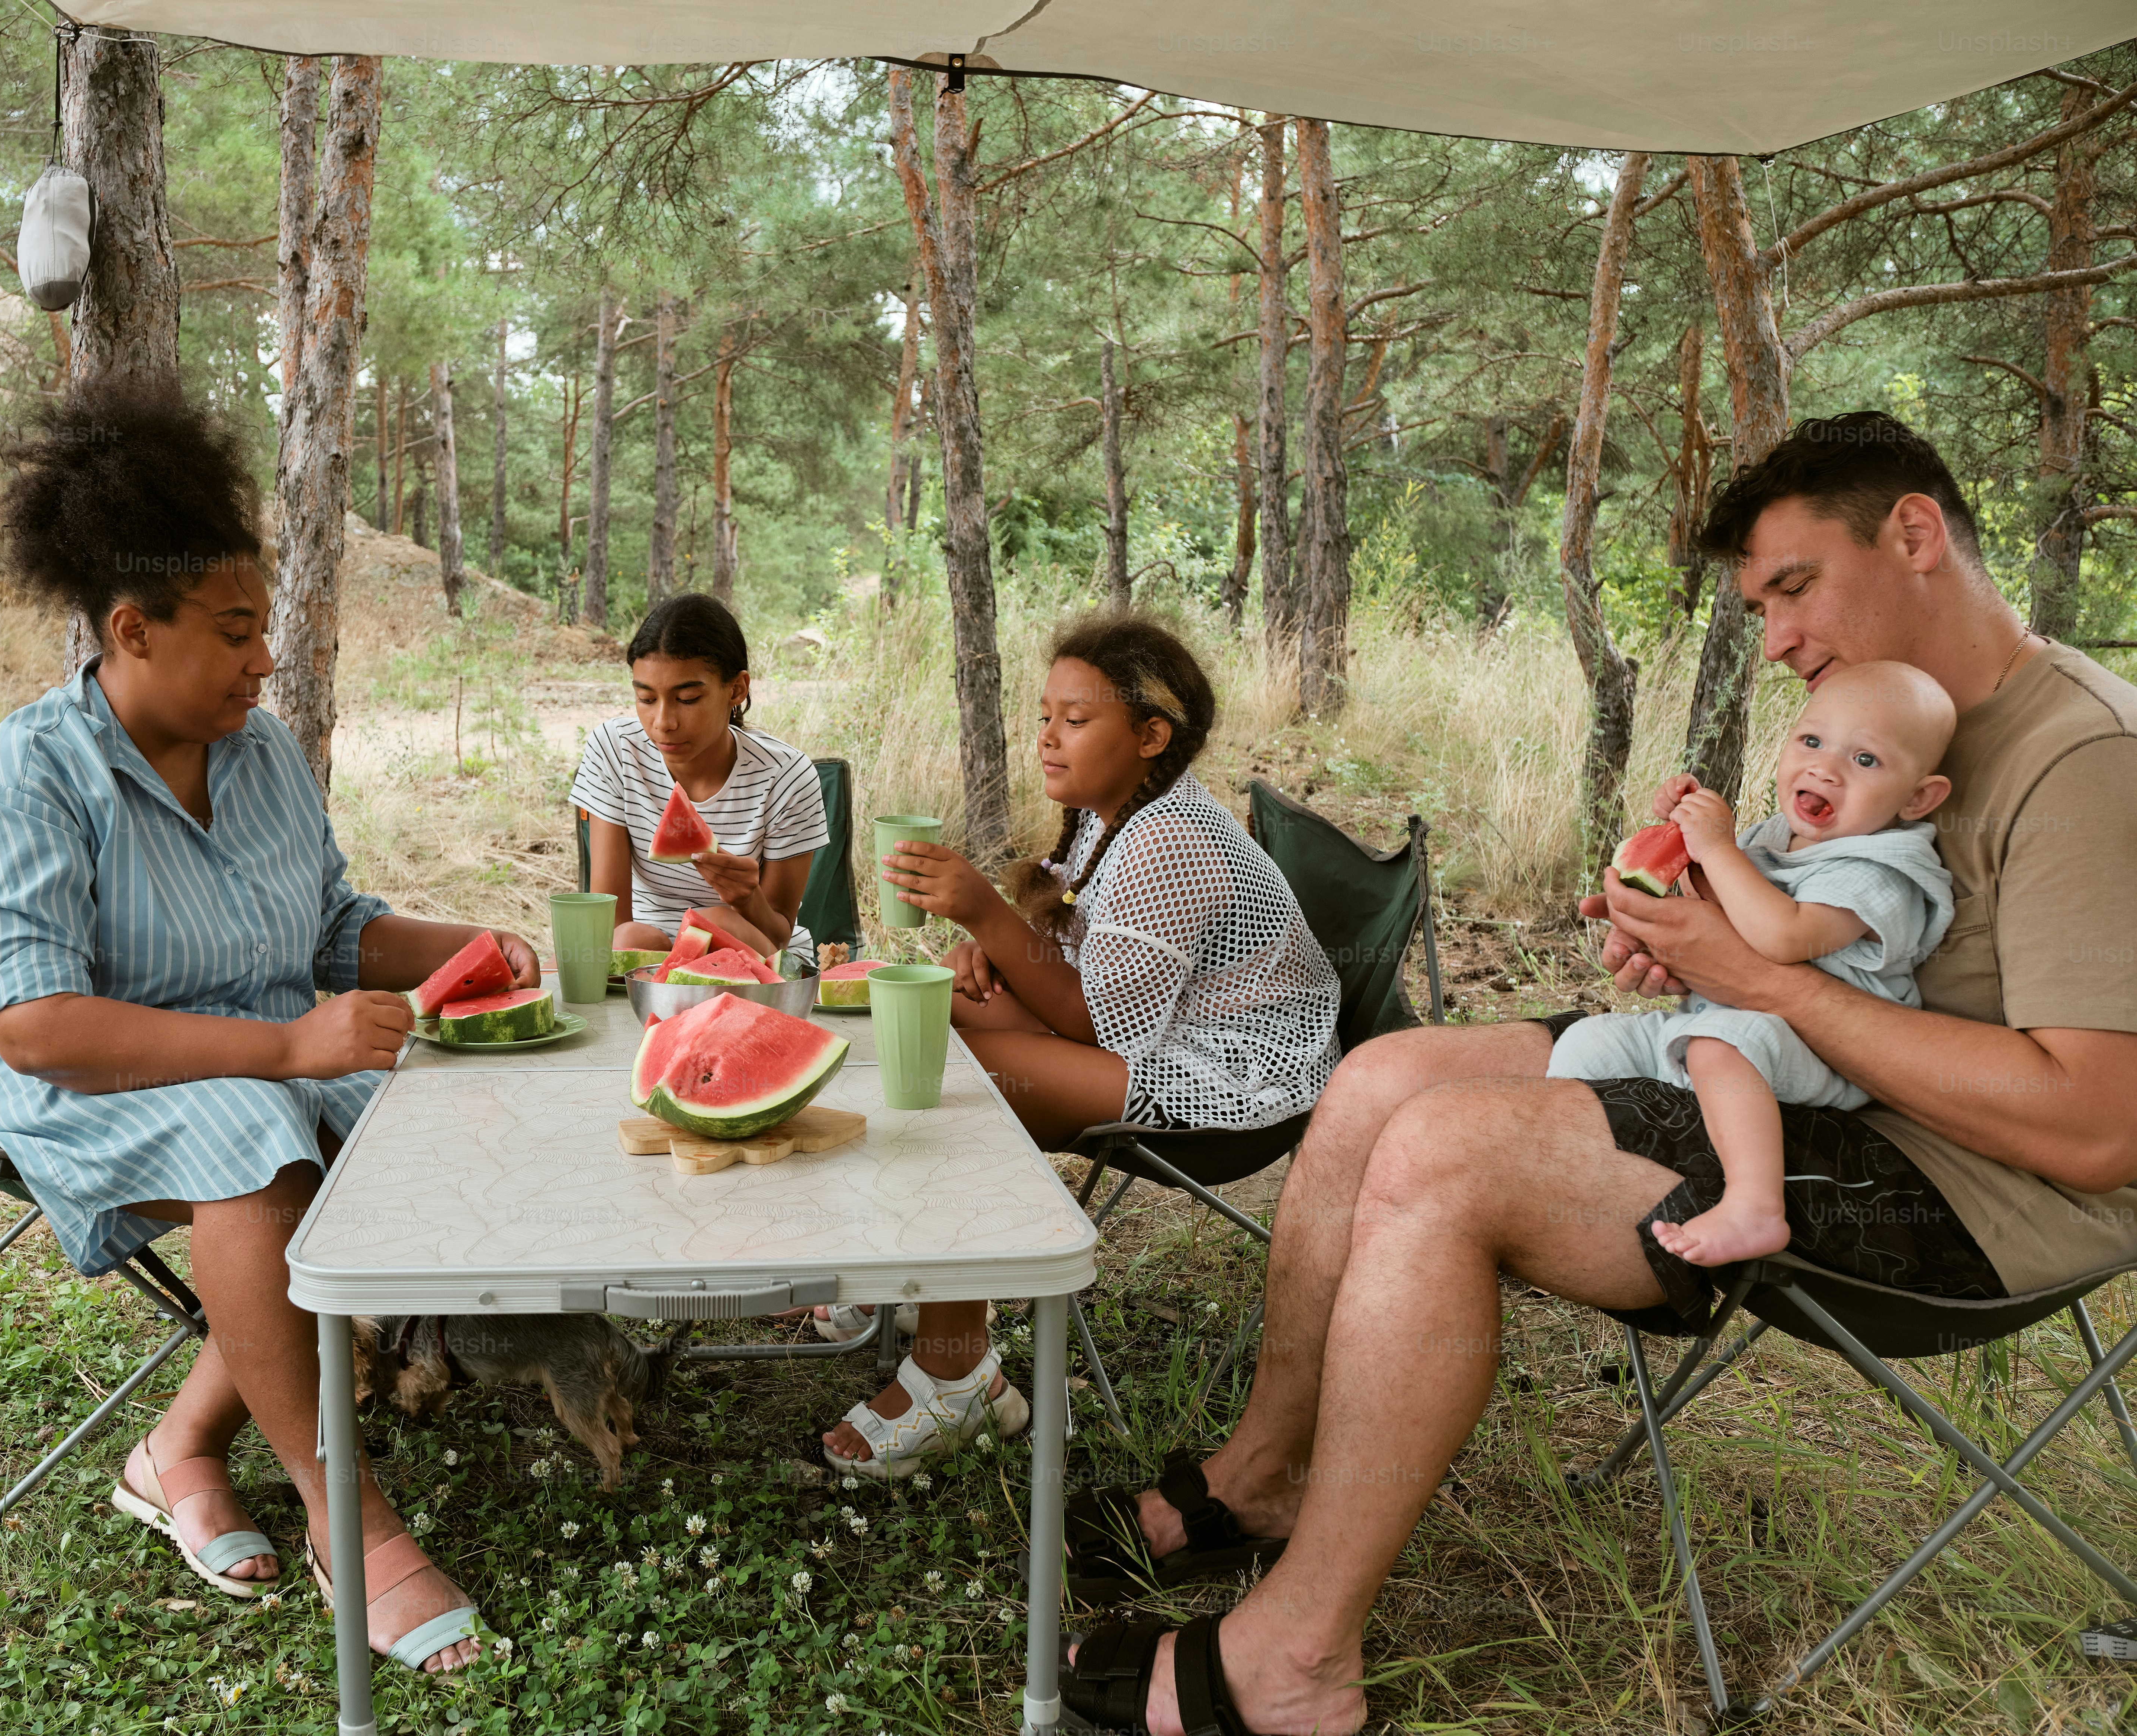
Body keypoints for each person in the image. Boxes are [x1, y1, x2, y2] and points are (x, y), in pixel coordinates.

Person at [1052, 412, 2137, 1736]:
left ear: (1914, 534)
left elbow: (2097, 1131)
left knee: (1441, 1155)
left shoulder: (2083, 757)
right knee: (1383, 1079)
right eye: (1760, 605)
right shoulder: (1880, 729)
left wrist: (1762, 982)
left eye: (1793, 587)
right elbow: (1830, 941)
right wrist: (1689, 931)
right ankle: (1265, 1471)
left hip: (1967, 1194)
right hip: (1813, 1078)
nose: (1780, 637)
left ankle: (1294, 1662)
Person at [0, 378, 536, 1674]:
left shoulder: (264, 756)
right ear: (132, 629)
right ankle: (343, 1513)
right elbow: (33, 1023)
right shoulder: (25, 772)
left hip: (244, 1049)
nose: (267, 659)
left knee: (427, 1101)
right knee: (255, 1129)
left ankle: (180, 1447)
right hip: (68, 1069)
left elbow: (332, 928)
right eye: (238, 631)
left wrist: (489, 943)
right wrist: (287, 1048)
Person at [819, 614, 1340, 1480]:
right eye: (1044, 715)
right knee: (920, 1020)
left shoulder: (1172, 839)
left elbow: (1100, 1024)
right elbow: (1078, 965)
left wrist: (984, 911)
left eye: (1075, 719)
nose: (1047, 737)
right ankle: (930, 1278)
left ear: (1150, 736)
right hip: (1165, 1044)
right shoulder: (1116, 819)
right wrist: (988, 955)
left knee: (960, 1087)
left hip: (1226, 1090)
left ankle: (959, 1372)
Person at [1547, 661, 1956, 1265]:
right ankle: (1574, 1180)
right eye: (1811, 741)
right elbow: (1721, 915)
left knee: (1718, 1043)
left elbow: (1783, 936)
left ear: (1920, 796)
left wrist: (1715, 845)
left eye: (1865, 760)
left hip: (1830, 1055)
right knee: (1588, 1043)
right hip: (1736, 1024)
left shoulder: (1885, 869)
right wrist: (1675, 867)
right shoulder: (1772, 838)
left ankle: (1755, 1205)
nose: (1825, 768)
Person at [572, 593, 827, 966]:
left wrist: (747, 897)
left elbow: (778, 935)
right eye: (645, 699)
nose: (663, 723)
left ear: (737, 689)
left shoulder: (787, 776)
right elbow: (610, 921)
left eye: (687, 699)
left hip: (753, 948)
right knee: (630, 937)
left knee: (716, 920)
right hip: (645, 947)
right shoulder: (614, 749)